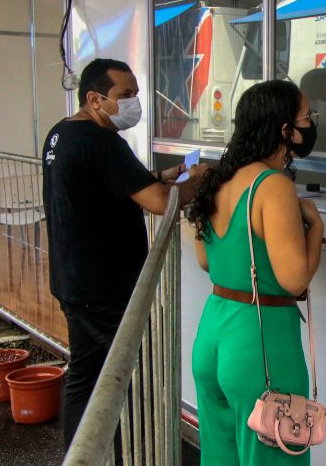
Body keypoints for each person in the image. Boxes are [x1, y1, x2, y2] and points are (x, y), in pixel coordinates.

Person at [41, 58, 206, 450]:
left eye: (135, 93)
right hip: (105, 286)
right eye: (124, 95)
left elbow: (105, 187)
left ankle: (79, 454)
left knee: (86, 373)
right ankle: (129, 452)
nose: (133, 102)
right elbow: (160, 204)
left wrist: (160, 175)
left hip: (72, 278)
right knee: (132, 375)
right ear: (95, 98)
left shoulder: (61, 133)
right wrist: (196, 182)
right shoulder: (103, 142)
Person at [187, 80, 323, 465]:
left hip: (213, 334)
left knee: (221, 455)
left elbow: (206, 261)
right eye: (306, 117)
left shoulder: (217, 179)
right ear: (284, 130)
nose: (311, 123)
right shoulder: (272, 185)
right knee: (276, 454)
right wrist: (317, 232)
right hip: (261, 343)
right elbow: (294, 280)